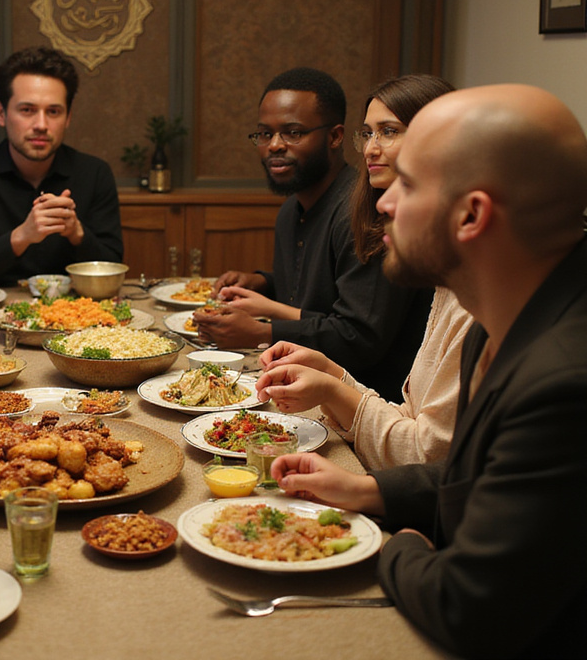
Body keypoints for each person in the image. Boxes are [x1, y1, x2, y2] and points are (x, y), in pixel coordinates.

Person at [271, 84, 587, 659]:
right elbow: (479, 476)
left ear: (471, 215)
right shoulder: (504, 314)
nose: (385, 203)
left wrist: (401, 545)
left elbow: (467, 609)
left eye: (410, 185)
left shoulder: (563, 384)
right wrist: (369, 490)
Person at [254, 75, 473, 469]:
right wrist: (334, 379)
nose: (372, 149)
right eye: (368, 133)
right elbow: (411, 419)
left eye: (389, 132)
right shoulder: (450, 282)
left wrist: (367, 491)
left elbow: (431, 461)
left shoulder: (480, 302)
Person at [194, 67, 430, 396]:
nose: (275, 145)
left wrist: (263, 332)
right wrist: (264, 282)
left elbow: (358, 336)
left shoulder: (366, 211)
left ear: (334, 136)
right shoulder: (293, 208)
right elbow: (317, 293)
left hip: (369, 397)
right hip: (309, 378)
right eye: (265, 134)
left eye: (292, 132)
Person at [0, 46, 123, 286]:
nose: (41, 124)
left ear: (68, 117)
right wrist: (21, 236)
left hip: (77, 313)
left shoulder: (95, 173)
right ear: (1, 113)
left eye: (54, 112)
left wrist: (77, 233)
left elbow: (113, 268)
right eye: (27, 110)